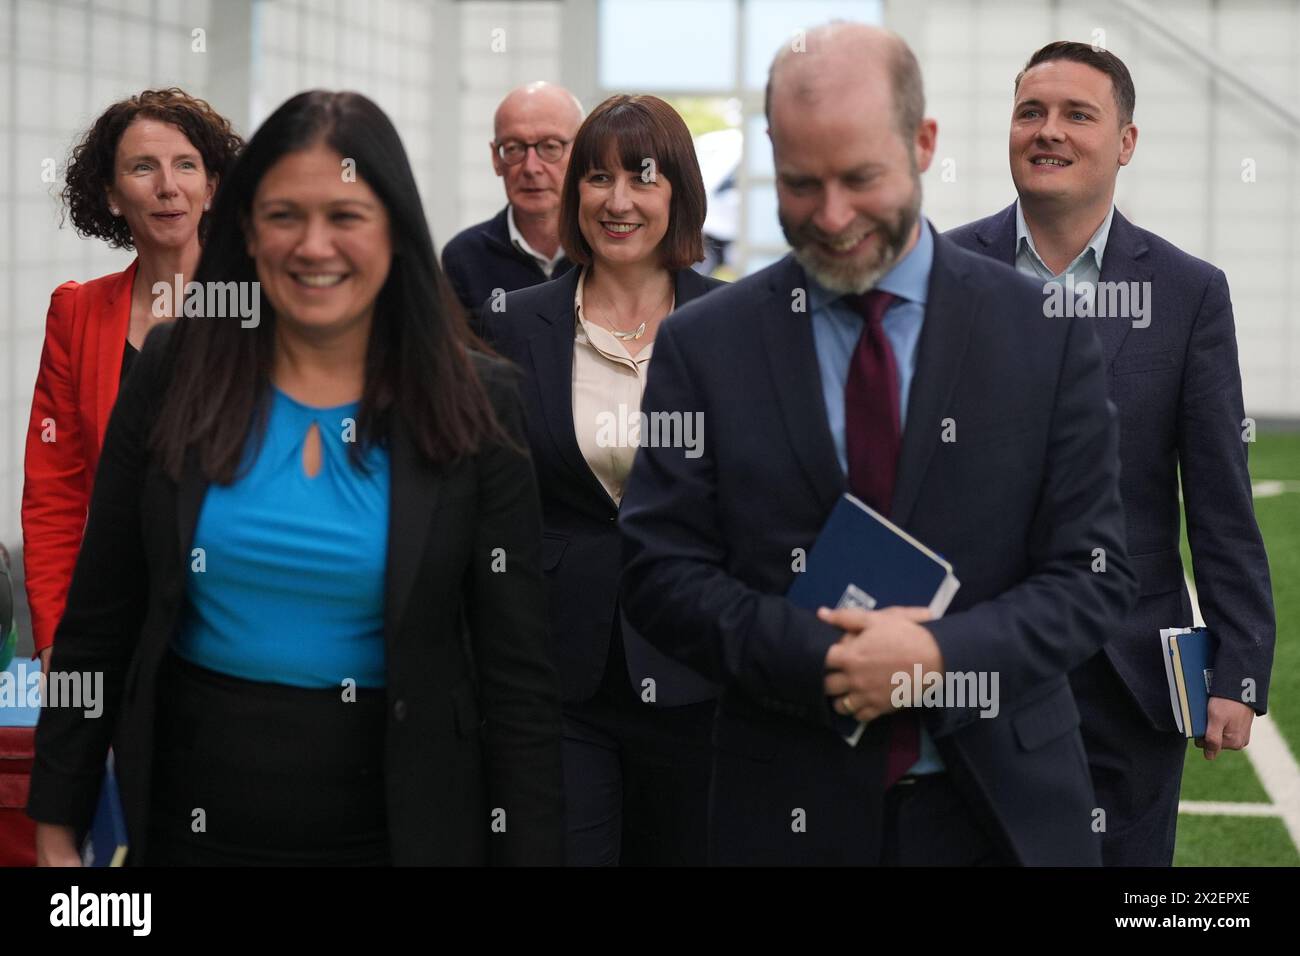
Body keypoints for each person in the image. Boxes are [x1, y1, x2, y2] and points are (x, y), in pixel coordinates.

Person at [618, 22, 1138, 866]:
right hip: (785, 807)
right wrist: (824, 658)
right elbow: (659, 572)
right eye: (799, 184)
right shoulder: (704, 344)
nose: (832, 217)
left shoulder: (1044, 337)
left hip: (1004, 814)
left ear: (923, 143)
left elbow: (1095, 577)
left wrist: (936, 657)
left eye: (861, 179)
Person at [27, 90, 563, 866]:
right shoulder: (176, 369)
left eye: (345, 216)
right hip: (191, 824)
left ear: (395, 233)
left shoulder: (477, 403)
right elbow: (103, 613)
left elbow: (518, 684)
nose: (314, 246)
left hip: (401, 826)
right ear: (245, 227)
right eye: (284, 216)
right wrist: (54, 825)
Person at [946, 41, 1275, 866]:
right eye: (1031, 112)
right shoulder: (941, 272)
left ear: (1125, 142)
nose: (1048, 131)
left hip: (1128, 676)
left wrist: (1238, 667)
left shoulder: (1189, 291)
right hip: (971, 670)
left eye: (1077, 115)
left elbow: (1219, 490)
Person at [482, 95, 724, 866]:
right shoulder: (515, 323)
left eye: (642, 178)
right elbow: (487, 504)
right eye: (597, 178)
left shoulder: (732, 325)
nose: (618, 201)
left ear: (677, 193)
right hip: (559, 673)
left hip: (699, 668)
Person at [22, 89, 242, 677]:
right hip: (121, 616)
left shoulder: (262, 310)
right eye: (143, 167)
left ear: (213, 188)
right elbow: (55, 494)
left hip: (243, 613)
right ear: (111, 196)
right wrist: (55, 642)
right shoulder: (77, 313)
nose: (168, 186)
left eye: (186, 165)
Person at [441, 81, 583, 324]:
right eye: (514, 148)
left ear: (582, 152)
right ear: (496, 158)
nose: (530, 168)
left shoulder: (602, 250)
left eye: (550, 147)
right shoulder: (464, 257)